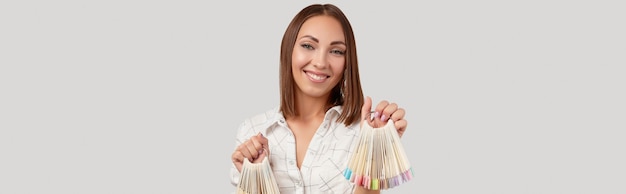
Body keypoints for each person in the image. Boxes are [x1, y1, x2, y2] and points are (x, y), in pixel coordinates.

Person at [230, 3, 408, 194]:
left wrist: (373, 149)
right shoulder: (252, 131)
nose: (321, 62)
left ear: (348, 62)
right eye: (308, 46)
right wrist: (256, 177)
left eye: (336, 51)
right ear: (288, 50)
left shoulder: (364, 130)